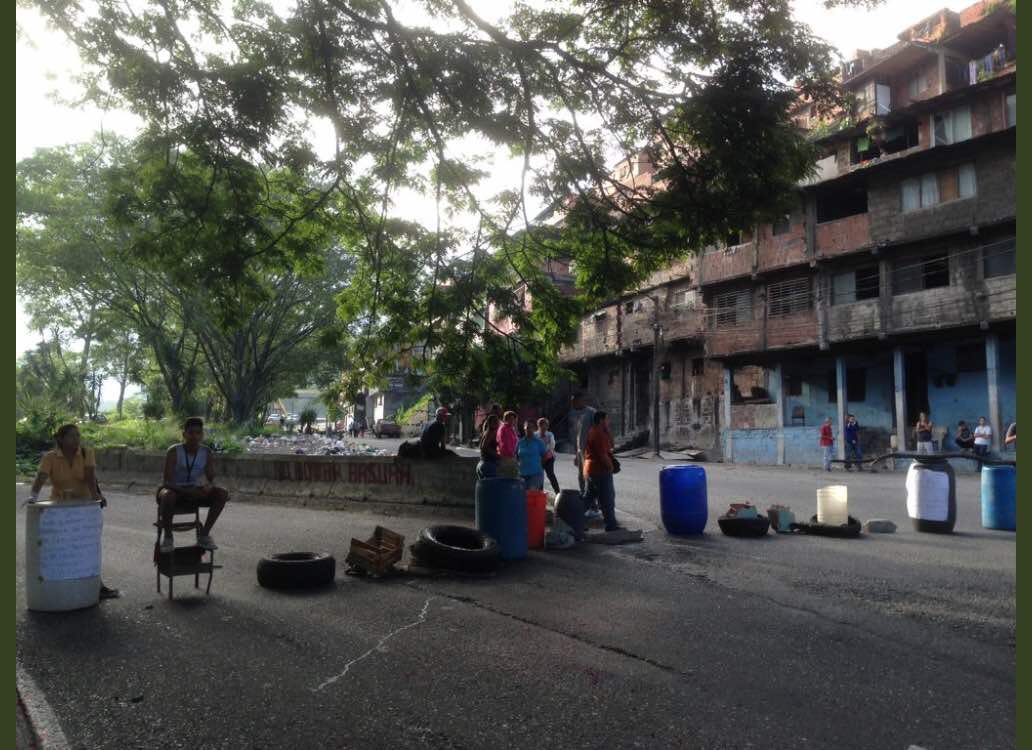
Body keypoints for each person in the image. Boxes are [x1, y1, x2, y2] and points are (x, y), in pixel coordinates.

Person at [29, 424, 119, 600]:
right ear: (61, 439)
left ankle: (97, 586)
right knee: (61, 547)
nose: (76, 439)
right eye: (71, 436)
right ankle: (59, 587)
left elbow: (91, 478)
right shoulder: (50, 458)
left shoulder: (86, 453)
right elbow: (40, 478)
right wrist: (33, 497)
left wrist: (96, 501)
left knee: (87, 546)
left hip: (83, 507)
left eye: (78, 435)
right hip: (59, 508)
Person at [157, 418, 229, 554]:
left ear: (202, 435)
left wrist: (208, 487)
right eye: (191, 433)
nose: (194, 436)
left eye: (198, 433)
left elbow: (212, 478)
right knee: (168, 495)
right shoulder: (174, 451)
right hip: (174, 490)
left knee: (222, 493)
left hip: (194, 490)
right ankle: (168, 537)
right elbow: (167, 481)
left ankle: (204, 534)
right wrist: (187, 491)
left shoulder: (206, 452)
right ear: (184, 435)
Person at [581, 411, 621, 532]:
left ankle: (575, 520)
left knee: (588, 498)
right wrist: (611, 467)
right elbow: (602, 455)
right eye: (607, 420)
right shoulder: (597, 433)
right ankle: (611, 525)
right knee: (607, 498)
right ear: (601, 420)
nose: (608, 422)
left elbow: (612, 446)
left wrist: (608, 431)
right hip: (599, 470)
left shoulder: (598, 432)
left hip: (592, 470)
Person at [567, 393, 597, 506]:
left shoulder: (591, 413)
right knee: (581, 475)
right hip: (580, 451)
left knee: (590, 477)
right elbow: (576, 435)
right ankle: (583, 496)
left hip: (590, 451)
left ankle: (593, 503)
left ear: (581, 401)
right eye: (572, 402)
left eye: (574, 401)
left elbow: (597, 431)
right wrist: (576, 453)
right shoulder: (573, 414)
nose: (572, 404)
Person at [517, 421, 548, 490]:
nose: (529, 429)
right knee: (522, 496)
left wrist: (540, 466)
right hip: (522, 474)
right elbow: (516, 455)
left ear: (534, 429)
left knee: (531, 494)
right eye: (527, 427)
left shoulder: (539, 442)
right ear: (524, 429)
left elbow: (545, 455)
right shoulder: (520, 442)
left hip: (535, 474)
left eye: (531, 428)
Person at [537, 417, 561, 494]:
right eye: (541, 425)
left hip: (549, 458)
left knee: (550, 475)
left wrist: (544, 456)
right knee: (539, 476)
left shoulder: (550, 435)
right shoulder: (535, 435)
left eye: (545, 426)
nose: (543, 427)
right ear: (538, 426)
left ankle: (558, 492)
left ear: (547, 426)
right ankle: (539, 493)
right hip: (538, 458)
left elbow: (551, 447)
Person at [496, 411, 520, 478]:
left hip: (511, 456)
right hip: (506, 457)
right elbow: (504, 443)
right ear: (505, 419)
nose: (512, 421)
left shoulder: (511, 428)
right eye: (510, 418)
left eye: (513, 419)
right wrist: (512, 454)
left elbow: (516, 441)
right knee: (510, 477)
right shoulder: (504, 428)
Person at [477, 414, 500, 479]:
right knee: (492, 487)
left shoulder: (486, 432)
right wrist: (497, 455)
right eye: (495, 421)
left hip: (482, 463)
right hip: (488, 465)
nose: (497, 423)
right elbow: (484, 447)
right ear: (490, 423)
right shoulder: (491, 432)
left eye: (497, 421)